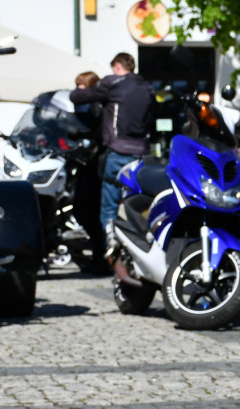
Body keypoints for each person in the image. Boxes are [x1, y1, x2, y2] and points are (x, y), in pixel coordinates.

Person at [69, 53, 153, 256]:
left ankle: (110, 253)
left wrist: (81, 92)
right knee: (139, 206)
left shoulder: (114, 83)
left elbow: (77, 97)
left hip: (118, 151)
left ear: (117, 66)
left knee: (109, 208)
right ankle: (141, 248)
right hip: (141, 154)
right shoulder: (146, 87)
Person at [70, 71, 106, 274]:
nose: (78, 90)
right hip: (87, 161)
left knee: (89, 210)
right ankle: (98, 255)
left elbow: (90, 129)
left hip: (94, 163)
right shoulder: (88, 105)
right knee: (85, 210)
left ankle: (100, 257)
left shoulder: (94, 105)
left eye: (81, 85)